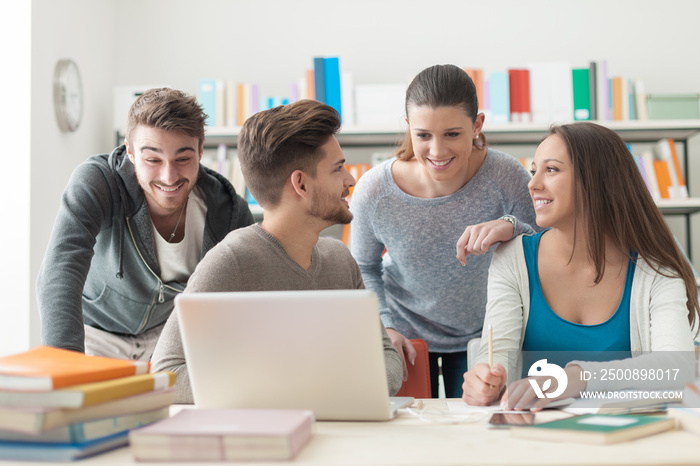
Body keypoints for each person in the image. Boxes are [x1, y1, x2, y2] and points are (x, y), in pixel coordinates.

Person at [151, 99, 404, 403]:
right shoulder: (231, 261)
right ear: (301, 183)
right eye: (338, 169)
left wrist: (334, 386)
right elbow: (165, 374)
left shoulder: (340, 259)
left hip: (344, 432)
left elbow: (386, 355)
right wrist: (285, 385)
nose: (350, 180)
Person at [462, 122, 699, 410]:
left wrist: (576, 378)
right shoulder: (513, 258)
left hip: (627, 439)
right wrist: (487, 381)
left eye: (551, 170)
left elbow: (676, 369)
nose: (533, 184)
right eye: (534, 170)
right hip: (532, 438)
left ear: (597, 181)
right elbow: (496, 355)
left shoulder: (655, 268)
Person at [349, 64, 538, 398]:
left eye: (452, 134)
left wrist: (510, 226)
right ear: (408, 128)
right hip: (405, 338)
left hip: (484, 336)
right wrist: (384, 326)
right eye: (423, 135)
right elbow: (364, 267)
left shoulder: (505, 175)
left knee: (476, 431)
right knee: (410, 437)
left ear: (477, 124)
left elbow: (544, 244)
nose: (437, 152)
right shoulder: (375, 190)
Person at [37, 88, 254, 360]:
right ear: (130, 151)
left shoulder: (229, 211)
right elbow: (61, 269)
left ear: (200, 150)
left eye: (183, 159)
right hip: (94, 334)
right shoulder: (96, 182)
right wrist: (65, 363)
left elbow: (244, 298)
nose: (169, 176)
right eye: (153, 159)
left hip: (169, 338)